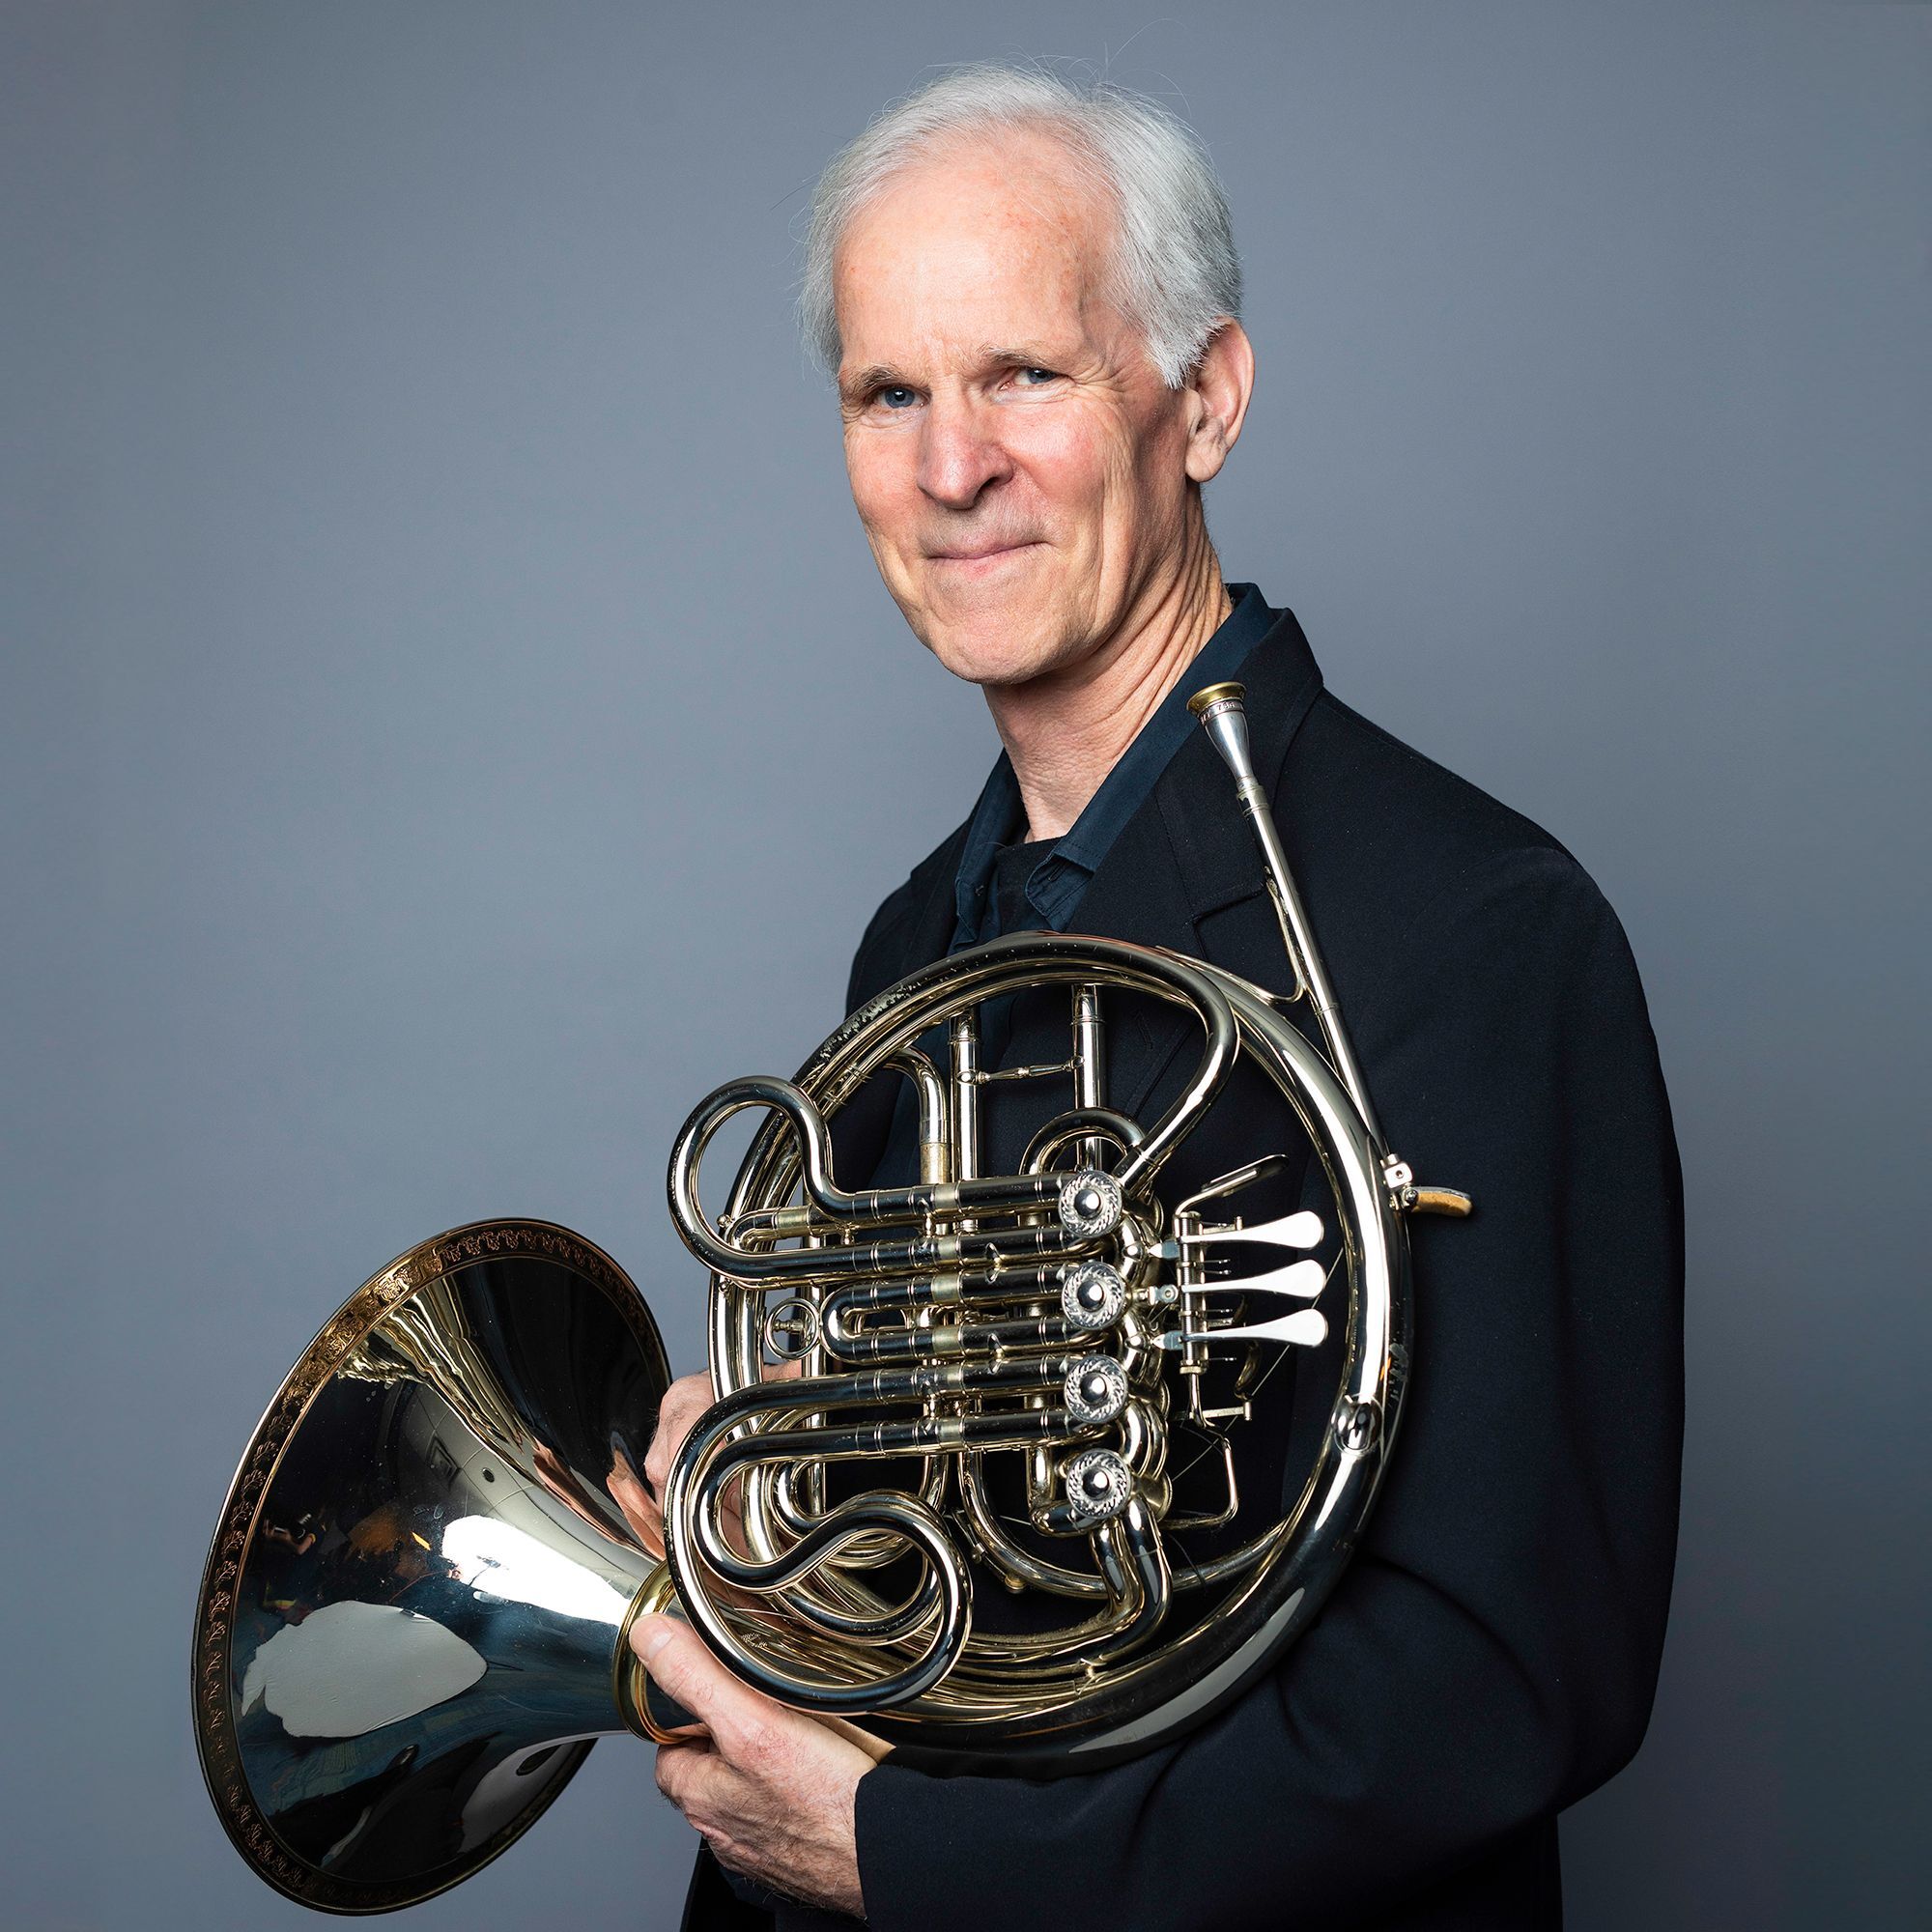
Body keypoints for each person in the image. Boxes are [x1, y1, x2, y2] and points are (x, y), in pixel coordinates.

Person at [630, 64, 1683, 1931]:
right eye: (890, 393)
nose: (952, 468)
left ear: (1206, 400)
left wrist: (915, 1863)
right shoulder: (920, 946)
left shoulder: (1484, 929)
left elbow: (1502, 1684)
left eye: (1023, 374)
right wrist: (768, 1536)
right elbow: (941, 1610)